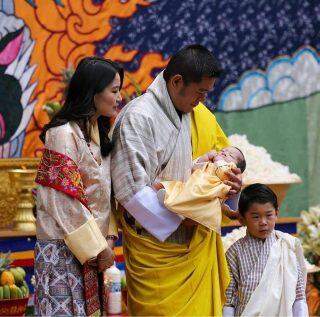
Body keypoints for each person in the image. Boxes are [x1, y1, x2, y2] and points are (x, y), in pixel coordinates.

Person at [110, 44, 242, 315]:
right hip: (157, 252)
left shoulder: (184, 112)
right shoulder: (139, 117)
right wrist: (194, 212)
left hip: (192, 239)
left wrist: (207, 173)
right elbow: (132, 192)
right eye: (200, 92)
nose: (202, 100)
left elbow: (171, 175)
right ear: (177, 81)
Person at [34, 56, 123, 316]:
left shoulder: (97, 133)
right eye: (114, 91)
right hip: (63, 250)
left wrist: (107, 239)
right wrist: (98, 248)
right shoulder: (63, 133)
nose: (119, 98)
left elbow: (106, 196)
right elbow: (63, 199)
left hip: (92, 250)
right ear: (93, 91)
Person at [223, 183, 308, 317]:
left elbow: (298, 295)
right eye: (256, 217)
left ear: (276, 213)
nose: (263, 222)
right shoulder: (234, 252)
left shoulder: (287, 246)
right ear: (242, 219)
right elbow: (228, 300)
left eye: (269, 215)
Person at [157, 146, 246, 233]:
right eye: (223, 150)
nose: (225, 152)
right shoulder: (210, 163)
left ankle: (185, 218)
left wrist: (218, 160)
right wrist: (205, 157)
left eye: (230, 155)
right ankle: (169, 198)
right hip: (195, 185)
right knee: (179, 191)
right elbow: (194, 168)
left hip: (210, 193)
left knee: (199, 213)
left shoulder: (230, 168)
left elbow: (223, 172)